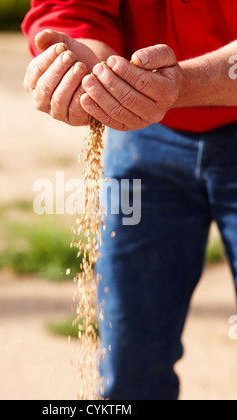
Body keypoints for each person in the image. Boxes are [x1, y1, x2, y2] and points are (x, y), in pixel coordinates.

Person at [22, 1, 237, 400]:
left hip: (157, 100)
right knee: (128, 363)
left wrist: (181, 84)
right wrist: (88, 68)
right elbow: (74, 8)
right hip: (143, 126)